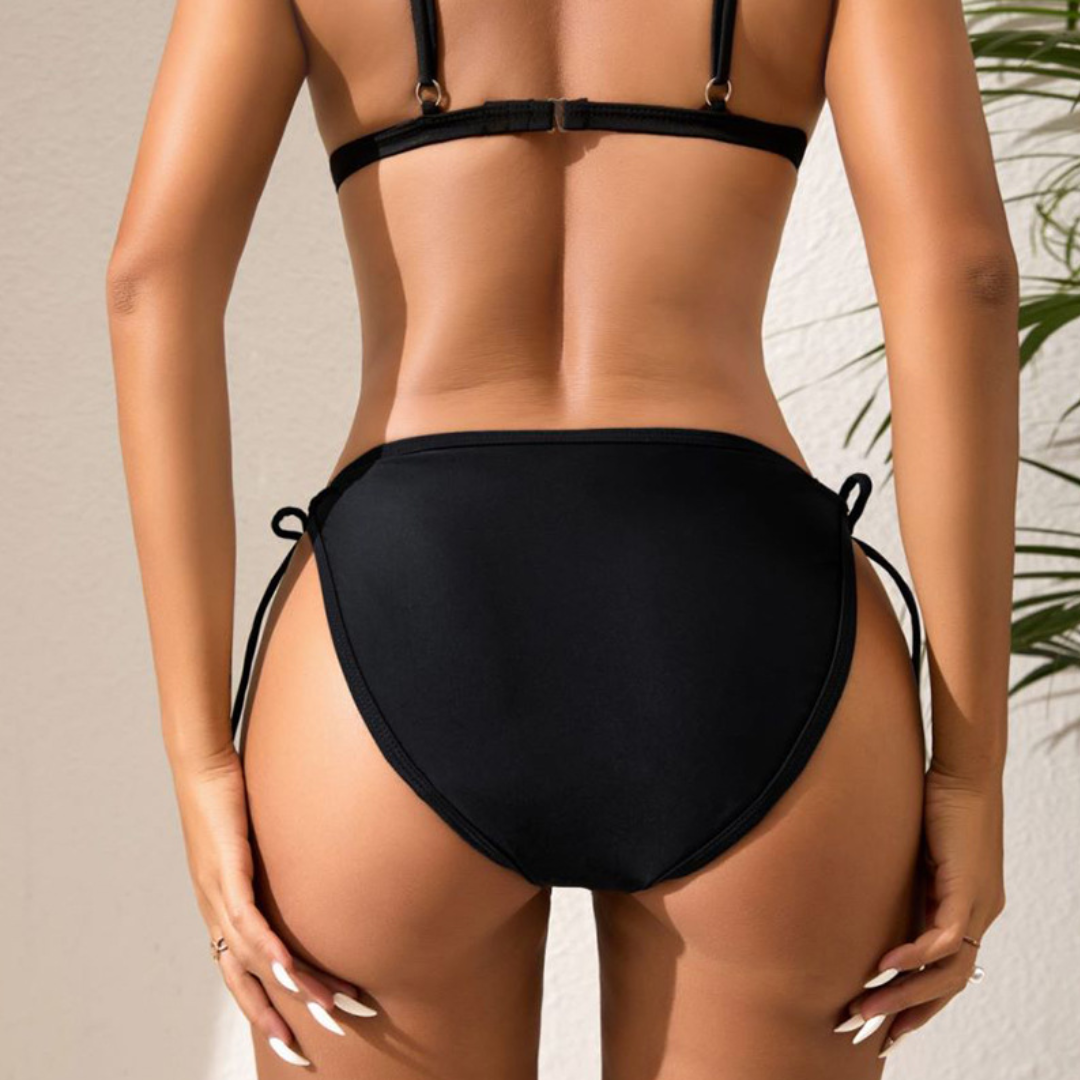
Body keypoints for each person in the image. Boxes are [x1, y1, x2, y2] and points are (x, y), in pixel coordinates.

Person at [106, 0, 1018, 1075]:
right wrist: (969, 777)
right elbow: (966, 277)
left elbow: (149, 282)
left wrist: (199, 759)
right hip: (747, 609)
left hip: (399, 603)